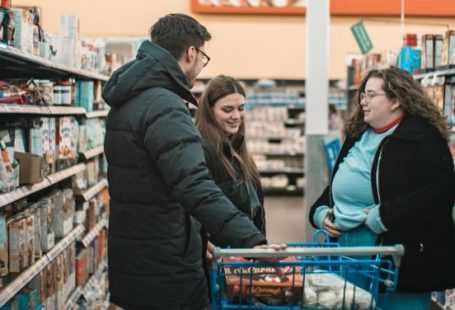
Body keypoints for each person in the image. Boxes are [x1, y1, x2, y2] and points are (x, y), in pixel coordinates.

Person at [103, 14, 281, 310]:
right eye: (203, 58)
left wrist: (199, 239)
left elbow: (153, 186)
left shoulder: (128, 100)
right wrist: (254, 243)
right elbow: (194, 186)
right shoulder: (165, 106)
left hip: (136, 257)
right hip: (167, 266)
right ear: (191, 53)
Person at [309, 67, 455, 309]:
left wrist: (384, 215)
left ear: (396, 100)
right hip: (348, 262)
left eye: (371, 95)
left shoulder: (422, 137)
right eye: (363, 95)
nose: (363, 102)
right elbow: (339, 185)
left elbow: (441, 192)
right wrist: (320, 211)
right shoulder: (358, 134)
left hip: (397, 264)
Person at [195, 75, 266, 246]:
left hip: (245, 250)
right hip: (223, 254)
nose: (236, 116)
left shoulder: (238, 146)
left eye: (241, 108)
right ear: (209, 111)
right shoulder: (201, 150)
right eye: (227, 110)